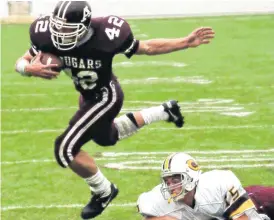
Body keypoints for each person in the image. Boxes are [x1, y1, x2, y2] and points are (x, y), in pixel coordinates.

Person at [14, 1, 214, 219]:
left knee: (65, 148)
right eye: (57, 26)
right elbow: (21, 62)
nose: (60, 33)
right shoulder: (45, 34)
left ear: (84, 27)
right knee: (107, 137)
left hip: (106, 96)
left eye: (67, 29)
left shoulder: (107, 34)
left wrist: (185, 42)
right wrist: (29, 68)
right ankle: (164, 111)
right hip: (87, 97)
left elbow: (147, 47)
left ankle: (103, 191)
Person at [137, 152, 272, 220]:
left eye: (176, 179)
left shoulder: (218, 184)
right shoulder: (158, 200)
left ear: (190, 176)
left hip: (259, 202)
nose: (171, 185)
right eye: (167, 181)